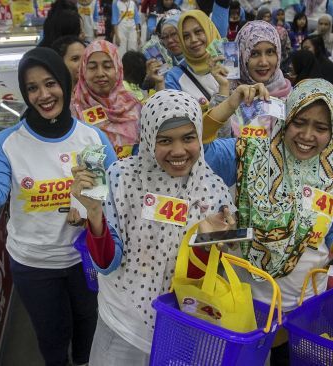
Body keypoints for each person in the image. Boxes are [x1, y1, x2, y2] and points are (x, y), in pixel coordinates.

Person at [0, 47, 118, 366]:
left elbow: (110, 194)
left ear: (65, 83)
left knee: (88, 328)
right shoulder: (7, 143)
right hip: (34, 265)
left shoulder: (92, 138)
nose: (43, 94)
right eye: (32, 88)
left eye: (50, 83)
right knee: (52, 338)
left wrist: (91, 207)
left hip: (83, 259)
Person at [202, 78, 333, 364]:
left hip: (303, 304)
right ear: (287, 117)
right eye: (299, 122)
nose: (307, 135)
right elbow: (200, 153)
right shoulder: (249, 154)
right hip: (244, 298)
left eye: (321, 128)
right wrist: (230, 103)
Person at [71, 89, 236, 364]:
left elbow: (200, 284)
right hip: (121, 323)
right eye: (165, 141)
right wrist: (94, 212)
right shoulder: (121, 179)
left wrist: (207, 245)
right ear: (148, 138)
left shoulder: (214, 193)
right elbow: (106, 264)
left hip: (181, 328)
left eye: (188, 138)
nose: (178, 151)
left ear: (199, 134)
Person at [72, 40, 142, 158]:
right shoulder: (73, 111)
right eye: (92, 67)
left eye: (107, 66)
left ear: (118, 69)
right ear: (83, 71)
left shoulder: (135, 106)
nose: (100, 73)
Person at [164, 10, 223, 109]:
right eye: (186, 36)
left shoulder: (230, 62)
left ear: (209, 30)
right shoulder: (174, 77)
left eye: (198, 31)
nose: (193, 39)